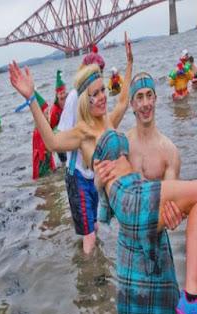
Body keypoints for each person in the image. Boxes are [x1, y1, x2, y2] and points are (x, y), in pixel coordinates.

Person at [10, 56, 197, 314]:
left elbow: (124, 100)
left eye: (103, 91)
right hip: (127, 196)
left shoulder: (109, 122)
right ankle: (193, 297)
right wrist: (31, 99)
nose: (102, 97)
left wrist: (129, 64)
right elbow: (51, 142)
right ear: (85, 100)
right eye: (95, 93)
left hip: (136, 190)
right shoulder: (83, 133)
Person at [95, 72, 188, 314]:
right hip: (128, 242)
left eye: (149, 96)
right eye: (139, 97)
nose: (145, 103)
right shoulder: (122, 145)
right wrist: (98, 182)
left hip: (157, 241)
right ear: (132, 104)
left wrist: (174, 216)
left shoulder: (169, 150)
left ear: (156, 99)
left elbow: (174, 201)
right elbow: (103, 188)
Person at [56, 35, 125, 254]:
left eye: (102, 71)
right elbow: (61, 134)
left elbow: (112, 116)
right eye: (98, 70)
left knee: (93, 226)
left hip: (91, 174)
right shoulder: (75, 97)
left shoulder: (98, 93)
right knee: (90, 233)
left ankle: (90, 261)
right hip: (76, 173)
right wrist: (82, 138)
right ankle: (91, 275)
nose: (101, 76)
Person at [32, 92, 56, 179]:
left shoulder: (45, 127)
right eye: (46, 113)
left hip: (47, 157)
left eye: (48, 112)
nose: (48, 115)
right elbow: (41, 149)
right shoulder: (38, 131)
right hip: (41, 161)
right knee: (44, 177)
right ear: (40, 116)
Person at [49, 70, 68, 164]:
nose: (63, 95)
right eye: (60, 94)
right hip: (59, 137)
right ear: (57, 95)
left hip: (68, 133)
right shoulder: (54, 110)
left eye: (64, 92)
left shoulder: (69, 102)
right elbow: (51, 128)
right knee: (64, 160)